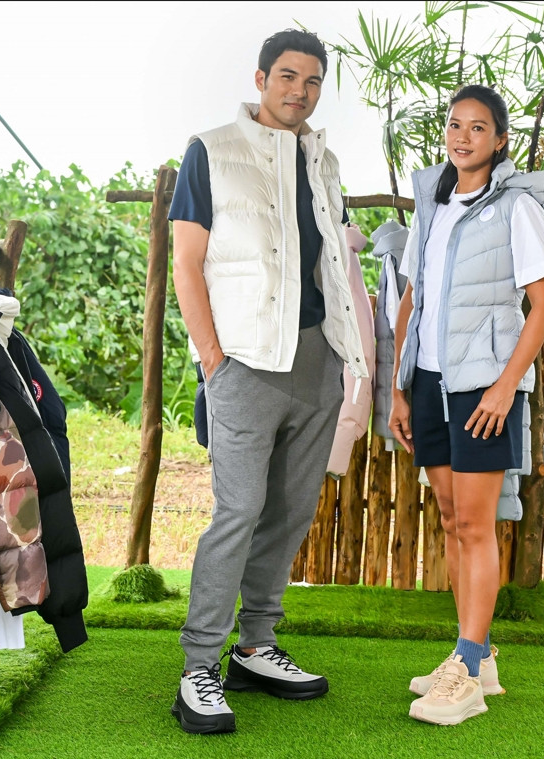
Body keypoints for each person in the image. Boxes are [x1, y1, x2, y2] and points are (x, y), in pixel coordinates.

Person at [167, 28, 367, 735]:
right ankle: (199, 665)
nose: (299, 92)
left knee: (289, 511)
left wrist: (343, 357)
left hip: (316, 361)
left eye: (312, 82)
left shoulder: (324, 160)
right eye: (287, 76)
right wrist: (213, 359)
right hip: (244, 362)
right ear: (260, 79)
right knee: (239, 510)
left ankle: (255, 645)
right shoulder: (210, 149)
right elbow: (186, 262)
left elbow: (333, 265)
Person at [388, 83, 544, 726]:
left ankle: (464, 669)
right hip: (429, 383)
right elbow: (412, 299)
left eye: (478, 127)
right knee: (451, 518)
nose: (463, 137)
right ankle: (478, 658)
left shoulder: (516, 207)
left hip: (482, 386)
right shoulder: (432, 204)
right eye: (455, 125)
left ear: (500, 139)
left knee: (476, 525)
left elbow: (542, 304)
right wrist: (399, 386)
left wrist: (505, 385)